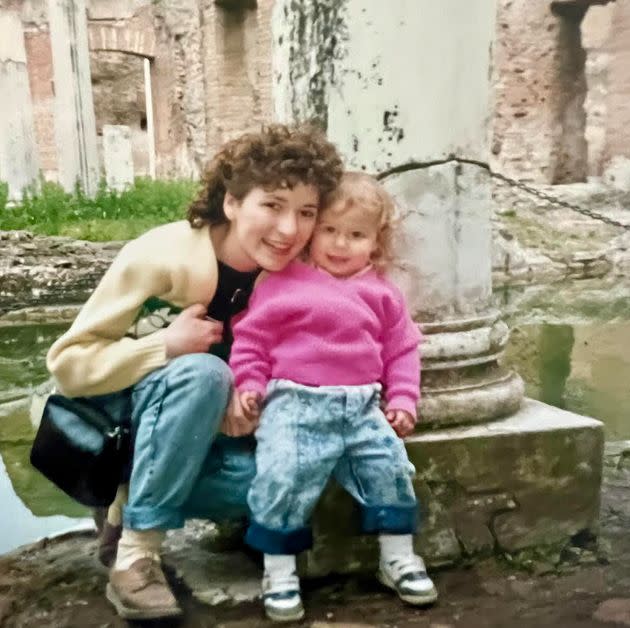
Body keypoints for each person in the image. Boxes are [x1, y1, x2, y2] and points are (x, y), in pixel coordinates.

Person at [45, 124, 344, 620]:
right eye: (271, 205)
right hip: (118, 424)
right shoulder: (159, 255)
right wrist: (164, 345)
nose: (290, 229)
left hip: (200, 435)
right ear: (231, 202)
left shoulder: (298, 277)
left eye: (306, 212)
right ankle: (136, 557)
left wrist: (253, 396)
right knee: (203, 373)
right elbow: (69, 366)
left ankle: (134, 503)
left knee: (297, 470)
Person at [229, 172, 438, 622]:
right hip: (294, 404)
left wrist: (402, 399)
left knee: (390, 468)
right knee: (281, 474)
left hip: (362, 406)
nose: (341, 244)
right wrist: (249, 384)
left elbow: (402, 351)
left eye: (356, 235)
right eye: (330, 231)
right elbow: (251, 341)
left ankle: (397, 557)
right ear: (312, 231)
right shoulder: (282, 283)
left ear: (375, 244)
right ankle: (280, 571)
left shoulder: (383, 293)